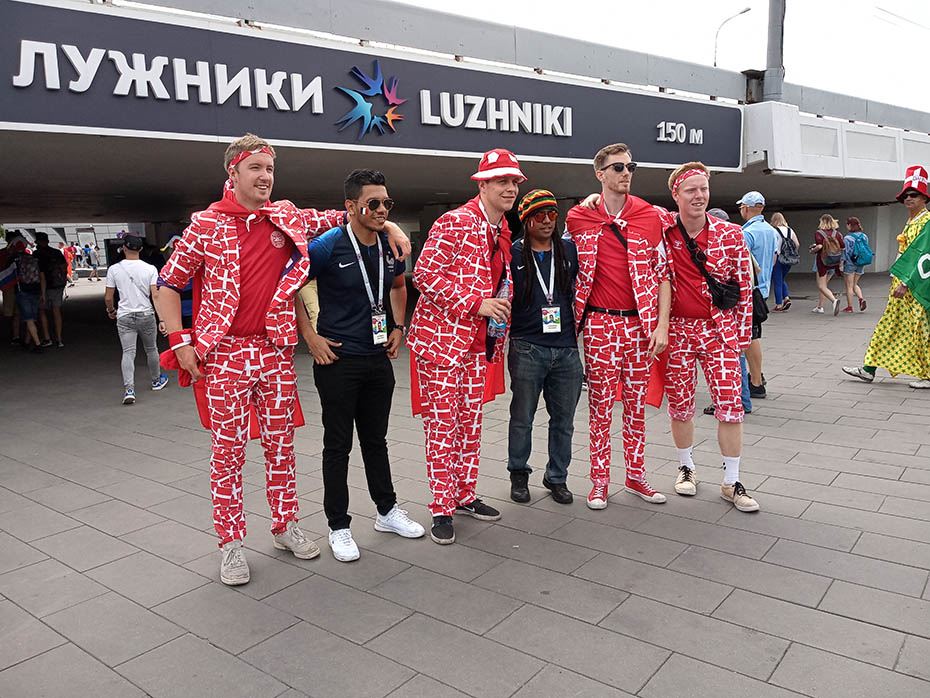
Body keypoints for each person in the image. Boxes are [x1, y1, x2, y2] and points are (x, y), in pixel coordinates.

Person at [156, 133, 410, 585]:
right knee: (228, 453)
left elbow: (346, 214)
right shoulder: (206, 226)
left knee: (281, 448)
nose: (265, 178)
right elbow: (167, 284)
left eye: (269, 170)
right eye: (256, 169)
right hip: (226, 354)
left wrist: (387, 224)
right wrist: (180, 341)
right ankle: (231, 545)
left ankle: (285, 525)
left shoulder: (285, 217)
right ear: (232, 172)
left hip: (274, 352)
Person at [300, 169, 424, 562]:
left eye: (387, 203)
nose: (382, 209)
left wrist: (399, 327)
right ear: (351, 206)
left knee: (376, 440)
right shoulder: (326, 246)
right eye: (374, 203)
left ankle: (386, 511)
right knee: (337, 444)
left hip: (378, 359)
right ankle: (338, 526)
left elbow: (399, 287)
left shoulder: (390, 245)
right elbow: (290, 289)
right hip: (337, 360)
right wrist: (311, 338)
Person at [407, 148, 522, 545]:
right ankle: (441, 506)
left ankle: (464, 495)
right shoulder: (454, 222)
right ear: (483, 184)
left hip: (480, 345)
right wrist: (475, 303)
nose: (510, 187)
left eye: (514, 181)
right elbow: (423, 274)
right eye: (502, 181)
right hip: (442, 344)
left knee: (470, 423)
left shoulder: (504, 228)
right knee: (443, 427)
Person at [566, 144, 671, 509]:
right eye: (618, 167)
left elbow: (664, 275)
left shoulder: (650, 215)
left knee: (635, 406)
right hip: (598, 322)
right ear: (601, 174)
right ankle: (598, 481)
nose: (626, 173)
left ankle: (636, 475)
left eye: (631, 166)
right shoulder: (579, 218)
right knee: (599, 405)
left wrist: (662, 326)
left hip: (639, 328)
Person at [662, 162, 759, 512]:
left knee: (731, 405)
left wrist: (741, 338)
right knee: (681, 404)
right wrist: (595, 198)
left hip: (719, 333)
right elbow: (629, 209)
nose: (699, 196)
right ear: (676, 194)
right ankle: (686, 467)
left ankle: (732, 480)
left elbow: (744, 288)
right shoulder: (664, 229)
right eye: (691, 190)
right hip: (677, 331)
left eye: (703, 189)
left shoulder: (732, 234)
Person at [506, 190, 582, 505]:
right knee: (522, 417)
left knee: (563, 420)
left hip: (566, 349)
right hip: (527, 347)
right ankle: (519, 475)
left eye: (552, 213)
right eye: (540, 215)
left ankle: (557, 478)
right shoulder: (512, 254)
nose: (548, 220)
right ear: (526, 220)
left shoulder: (568, 250)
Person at [844, 165, 930, 389]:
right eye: (905, 196)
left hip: (915, 286)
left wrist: (905, 282)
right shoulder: (912, 221)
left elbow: (922, 256)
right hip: (901, 285)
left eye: (914, 195)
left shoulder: (926, 223)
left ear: (924, 198)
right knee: (888, 326)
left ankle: (929, 374)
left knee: (920, 328)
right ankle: (869, 369)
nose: (908, 199)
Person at [104, 235, 169, 404]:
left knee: (128, 353)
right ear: (140, 249)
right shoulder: (150, 269)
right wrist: (162, 319)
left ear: (124, 248)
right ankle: (156, 380)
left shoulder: (114, 269)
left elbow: (109, 297)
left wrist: (111, 310)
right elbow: (155, 295)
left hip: (124, 315)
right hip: (146, 314)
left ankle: (129, 389)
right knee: (151, 349)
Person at [736, 191, 778, 399]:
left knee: (750, 337)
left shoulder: (748, 233)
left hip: (749, 291)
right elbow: (772, 261)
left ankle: (755, 381)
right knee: (753, 334)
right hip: (763, 289)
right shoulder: (772, 231)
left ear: (746, 207)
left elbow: (743, 265)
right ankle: (756, 377)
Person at [34, 233, 68, 348]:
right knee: (56, 311)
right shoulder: (56, 252)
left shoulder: (36, 254)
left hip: (41, 286)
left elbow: (39, 274)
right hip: (57, 285)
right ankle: (59, 339)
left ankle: (47, 338)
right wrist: (63, 281)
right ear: (48, 241)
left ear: (37, 242)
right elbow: (64, 267)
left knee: (42, 311)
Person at [9, 236, 42, 352]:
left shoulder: (14, 261)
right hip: (35, 290)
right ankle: (28, 341)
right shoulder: (32, 258)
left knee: (28, 319)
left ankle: (37, 344)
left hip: (22, 291)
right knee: (33, 317)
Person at [810, 214, 844, 315]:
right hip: (834, 262)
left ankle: (834, 300)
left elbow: (819, 246)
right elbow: (842, 246)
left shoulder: (819, 233)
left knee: (821, 286)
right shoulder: (837, 234)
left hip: (823, 262)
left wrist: (813, 250)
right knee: (824, 286)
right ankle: (820, 307)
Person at [770, 212, 799, 311]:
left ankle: (779, 304)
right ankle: (786, 298)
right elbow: (797, 244)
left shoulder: (774, 231)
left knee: (777, 281)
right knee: (781, 279)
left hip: (778, 258)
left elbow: (773, 247)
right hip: (788, 259)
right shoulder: (790, 230)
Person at [842, 217, 869, 313]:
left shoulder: (847, 238)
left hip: (850, 263)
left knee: (849, 286)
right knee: (855, 284)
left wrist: (841, 263)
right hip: (861, 263)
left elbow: (846, 253)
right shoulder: (864, 236)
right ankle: (861, 299)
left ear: (849, 225)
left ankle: (849, 307)